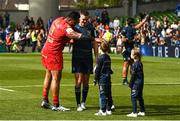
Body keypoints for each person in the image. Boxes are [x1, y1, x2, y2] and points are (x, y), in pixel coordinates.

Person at [41, 11, 93, 111]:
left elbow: (66, 35)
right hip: (54, 53)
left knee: (48, 75)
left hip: (46, 49)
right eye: (75, 22)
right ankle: (56, 105)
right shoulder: (66, 27)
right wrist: (92, 38)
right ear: (70, 20)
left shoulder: (58, 19)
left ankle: (45, 100)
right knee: (56, 78)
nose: (76, 24)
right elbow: (75, 35)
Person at [72, 10, 98, 112]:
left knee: (86, 82)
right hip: (77, 57)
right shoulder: (74, 27)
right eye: (83, 19)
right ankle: (78, 104)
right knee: (78, 81)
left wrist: (96, 57)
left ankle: (83, 102)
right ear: (79, 18)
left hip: (87, 56)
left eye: (86, 20)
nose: (84, 21)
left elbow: (94, 42)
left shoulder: (90, 27)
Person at [119, 15, 149, 85]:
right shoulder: (132, 29)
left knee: (128, 64)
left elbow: (122, 38)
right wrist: (133, 39)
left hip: (126, 48)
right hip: (129, 48)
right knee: (129, 64)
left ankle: (126, 79)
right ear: (132, 23)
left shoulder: (125, 28)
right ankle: (127, 79)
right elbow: (136, 37)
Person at [94, 41, 113, 116]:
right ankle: (109, 109)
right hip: (108, 77)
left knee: (102, 94)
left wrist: (95, 79)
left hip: (102, 78)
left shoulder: (100, 58)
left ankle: (103, 110)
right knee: (109, 94)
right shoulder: (108, 57)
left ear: (100, 48)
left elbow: (98, 70)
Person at [127, 47, 145, 117]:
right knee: (140, 97)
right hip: (140, 82)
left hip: (136, 83)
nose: (130, 55)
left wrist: (130, 84)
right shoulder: (139, 63)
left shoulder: (135, 64)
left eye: (131, 53)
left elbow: (133, 75)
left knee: (133, 97)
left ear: (135, 55)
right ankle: (142, 111)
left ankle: (134, 112)